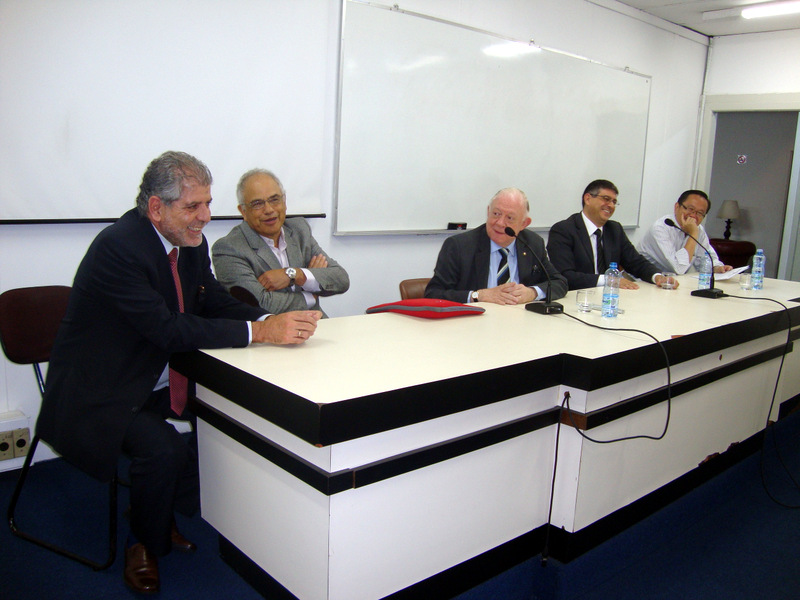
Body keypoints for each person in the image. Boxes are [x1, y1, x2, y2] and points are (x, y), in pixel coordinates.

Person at [35, 152, 321, 595]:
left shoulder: (189, 241)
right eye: (194, 207)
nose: (206, 217)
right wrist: (259, 332)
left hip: (155, 373)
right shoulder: (118, 248)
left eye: (207, 204)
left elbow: (208, 300)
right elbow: (166, 327)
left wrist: (264, 320)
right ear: (156, 208)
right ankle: (143, 544)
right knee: (165, 449)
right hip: (104, 388)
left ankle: (171, 506)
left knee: (227, 419)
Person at [212, 169, 349, 317]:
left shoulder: (299, 230)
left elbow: (341, 279)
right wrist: (311, 294)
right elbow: (261, 303)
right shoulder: (229, 248)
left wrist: (297, 275)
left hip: (316, 325)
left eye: (274, 199)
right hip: (269, 335)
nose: (269, 210)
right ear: (243, 211)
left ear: (284, 201)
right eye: (257, 204)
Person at [425, 187, 567, 305]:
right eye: (496, 214)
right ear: (488, 211)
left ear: (524, 224)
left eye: (509, 218)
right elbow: (433, 294)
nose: (500, 223)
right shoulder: (459, 246)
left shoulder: (532, 243)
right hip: (473, 326)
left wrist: (532, 292)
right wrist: (478, 295)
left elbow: (559, 283)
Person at [547, 179, 677, 290]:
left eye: (614, 202)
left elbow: (636, 262)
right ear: (588, 199)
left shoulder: (614, 229)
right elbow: (565, 275)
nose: (610, 205)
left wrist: (657, 277)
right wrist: (608, 280)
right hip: (578, 298)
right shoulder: (563, 230)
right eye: (606, 199)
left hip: (610, 298)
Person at [637, 189, 732, 275]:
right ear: (677, 207)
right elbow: (679, 268)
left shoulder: (698, 229)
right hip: (642, 281)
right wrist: (693, 234)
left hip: (670, 282)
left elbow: (706, 257)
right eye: (691, 209)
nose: (693, 216)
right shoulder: (660, 228)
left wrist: (717, 267)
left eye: (700, 213)